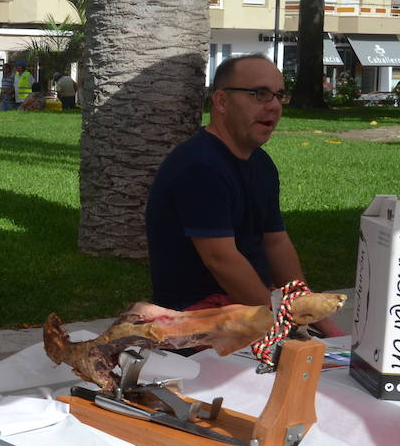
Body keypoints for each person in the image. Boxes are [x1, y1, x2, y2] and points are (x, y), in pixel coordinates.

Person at [145, 54, 341, 334]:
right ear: (221, 101)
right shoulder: (200, 166)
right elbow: (221, 260)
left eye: (278, 95)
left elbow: (276, 243)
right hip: (197, 323)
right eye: (260, 94)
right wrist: (284, 324)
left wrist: (319, 320)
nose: (273, 105)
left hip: (248, 312)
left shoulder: (262, 165)